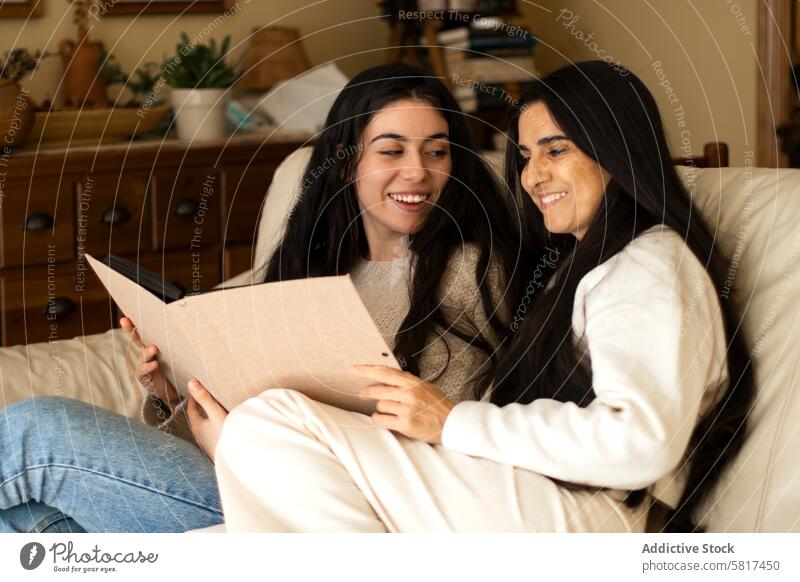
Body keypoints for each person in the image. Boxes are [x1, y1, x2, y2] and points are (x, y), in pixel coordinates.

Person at [212, 60, 755, 533]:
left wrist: (452, 422)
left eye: (556, 151)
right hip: (532, 492)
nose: (533, 176)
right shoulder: (589, 264)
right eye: (524, 156)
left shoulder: (649, 262)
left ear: (615, 150)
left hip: (588, 512)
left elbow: (642, 441)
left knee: (269, 423)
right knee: (243, 492)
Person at [0, 63, 522, 533]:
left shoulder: (465, 270)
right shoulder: (314, 264)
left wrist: (241, 447)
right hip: (235, 473)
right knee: (34, 525)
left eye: (436, 150)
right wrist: (169, 390)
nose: (417, 172)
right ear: (345, 164)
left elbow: (426, 451)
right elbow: (214, 425)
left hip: (312, 504)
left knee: (38, 429)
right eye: (391, 150)